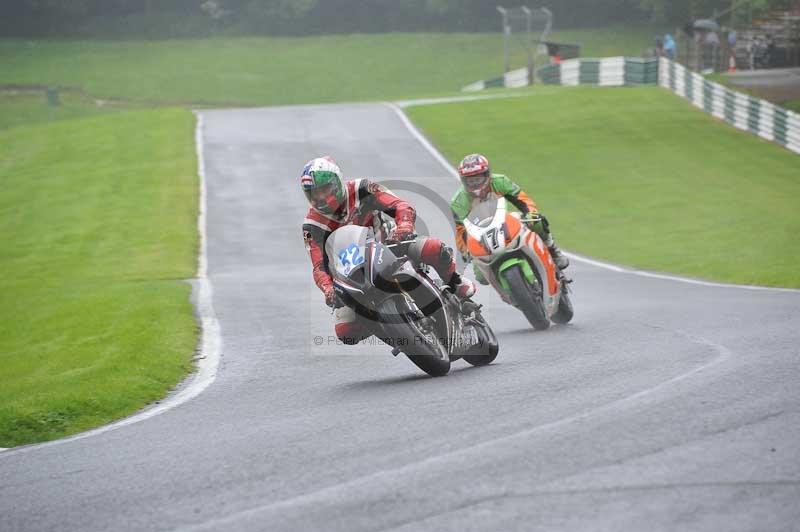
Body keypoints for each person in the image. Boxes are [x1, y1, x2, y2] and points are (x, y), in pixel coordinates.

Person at [301, 156, 477, 344]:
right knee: (346, 332)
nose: (320, 197)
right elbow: (319, 265)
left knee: (433, 248)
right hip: (353, 272)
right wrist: (328, 288)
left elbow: (399, 205)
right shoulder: (312, 224)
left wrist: (404, 225)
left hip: (390, 245)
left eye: (324, 189)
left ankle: (455, 283)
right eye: (313, 193)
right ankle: (394, 333)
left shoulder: (361, 189)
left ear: (336, 182)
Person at [450, 154, 569, 286]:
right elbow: (460, 231)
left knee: (537, 221)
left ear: (487, 174)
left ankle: (553, 251)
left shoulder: (500, 181)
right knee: (481, 277)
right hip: (481, 236)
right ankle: (509, 292)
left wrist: (530, 213)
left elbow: (522, 199)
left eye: (478, 179)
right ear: (463, 180)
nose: (475, 184)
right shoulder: (458, 202)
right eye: (471, 181)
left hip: (505, 222)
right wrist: (467, 251)